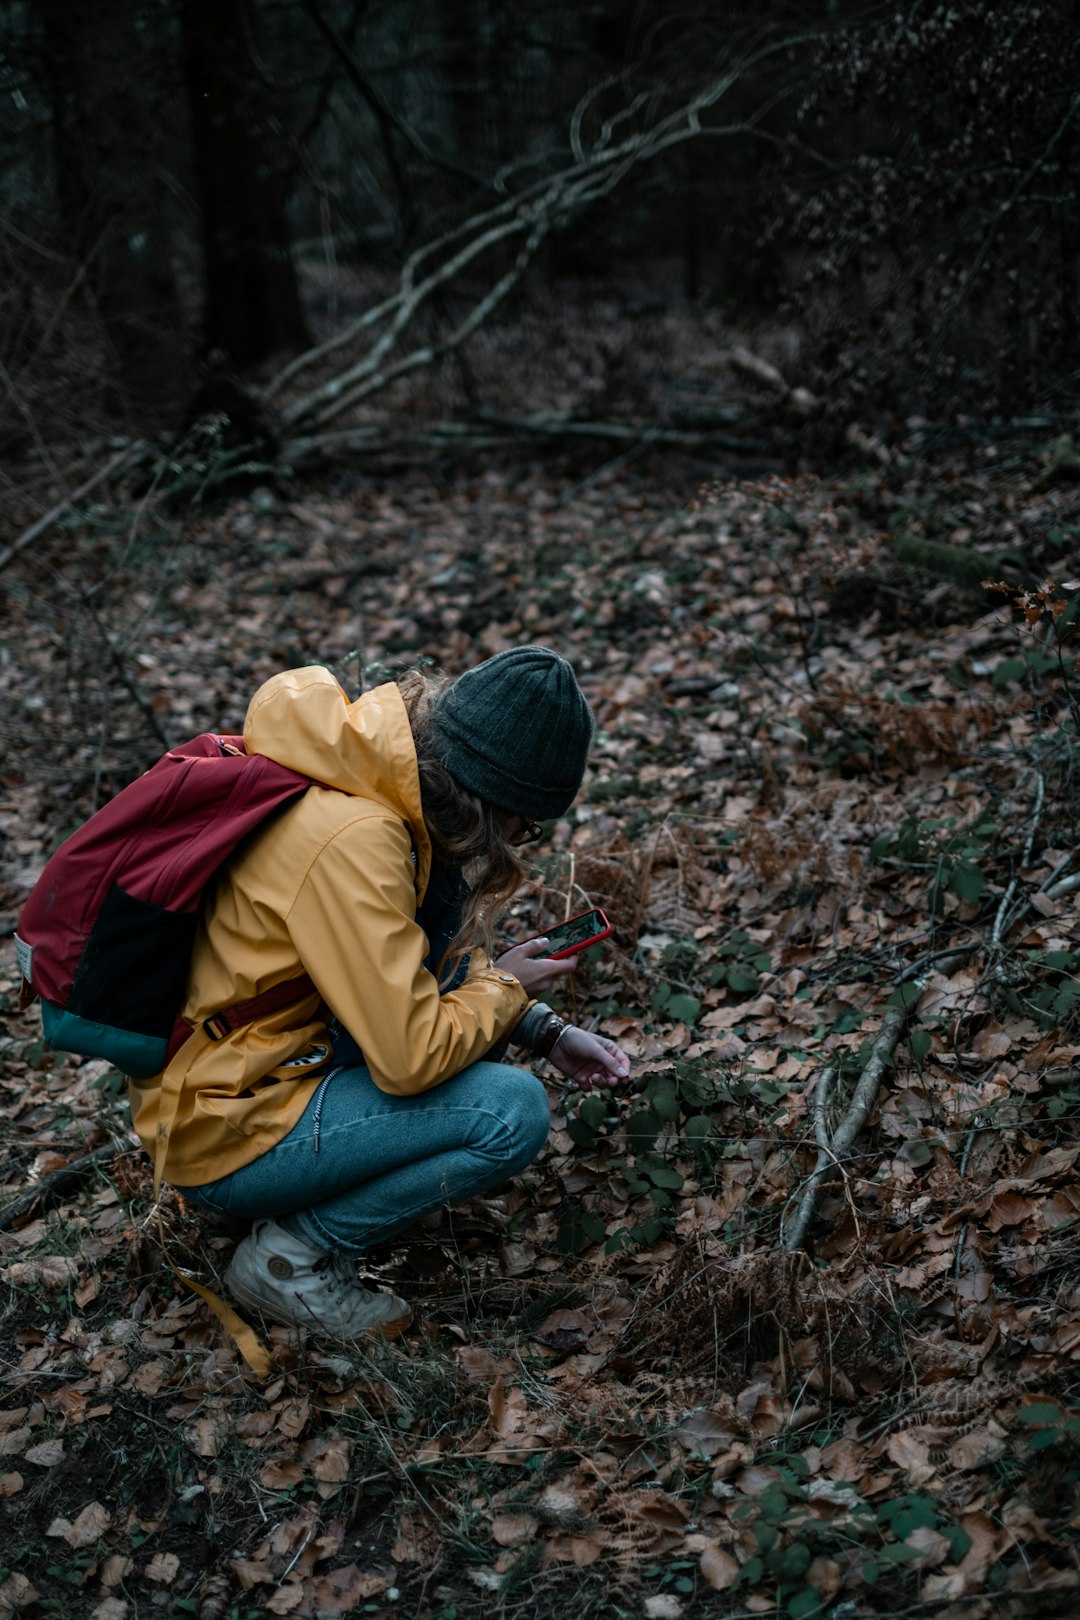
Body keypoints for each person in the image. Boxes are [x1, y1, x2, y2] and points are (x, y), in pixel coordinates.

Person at [128, 649, 631, 1340]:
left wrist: (540, 1027)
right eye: (527, 823)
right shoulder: (357, 840)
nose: (521, 841)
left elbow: (406, 957)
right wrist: (506, 989)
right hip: (228, 1126)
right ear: (496, 797)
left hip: (251, 1080)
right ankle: (289, 1260)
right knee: (510, 1111)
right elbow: (409, 1056)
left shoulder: (375, 782)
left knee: (490, 1081)